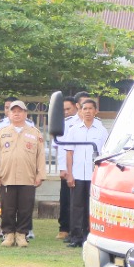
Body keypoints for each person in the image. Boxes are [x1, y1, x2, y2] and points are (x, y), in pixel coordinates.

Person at [0, 100, 47, 247]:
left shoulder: (35, 133)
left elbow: (40, 156)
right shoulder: (2, 133)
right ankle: (8, 234)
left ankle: (21, 235)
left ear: (25, 114)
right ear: (8, 113)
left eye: (20, 111)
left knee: (25, 207)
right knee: (7, 207)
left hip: (28, 177)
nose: (16, 114)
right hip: (7, 177)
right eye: (13, 111)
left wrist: (40, 175)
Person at [59, 95, 107, 248]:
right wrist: (70, 174)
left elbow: (104, 154)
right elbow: (69, 153)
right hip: (78, 174)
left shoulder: (102, 131)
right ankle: (76, 236)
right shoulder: (74, 130)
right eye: (84, 109)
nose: (87, 112)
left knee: (91, 207)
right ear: (80, 111)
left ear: (96, 111)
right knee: (76, 206)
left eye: (90, 109)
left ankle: (89, 236)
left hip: (94, 176)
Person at [56, 96, 78, 240]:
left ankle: (79, 229)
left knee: (80, 201)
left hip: (83, 168)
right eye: (63, 110)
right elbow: (61, 149)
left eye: (68, 109)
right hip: (68, 168)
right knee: (65, 199)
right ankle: (64, 228)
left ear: (76, 107)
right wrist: (63, 168)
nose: (66, 112)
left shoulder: (88, 123)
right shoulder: (63, 124)